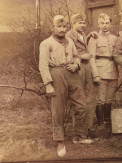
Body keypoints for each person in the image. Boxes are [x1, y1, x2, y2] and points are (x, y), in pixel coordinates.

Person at [39, 15, 93, 157]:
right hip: (56, 74)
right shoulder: (46, 43)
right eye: (59, 26)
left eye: (64, 26)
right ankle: (60, 141)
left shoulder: (69, 41)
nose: (62, 29)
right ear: (53, 27)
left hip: (72, 73)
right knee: (58, 109)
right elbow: (43, 66)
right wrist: (48, 84)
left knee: (82, 105)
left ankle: (79, 136)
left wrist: (76, 64)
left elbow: (76, 56)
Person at [66, 13, 97, 138]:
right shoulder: (68, 36)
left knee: (90, 98)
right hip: (77, 68)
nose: (83, 25)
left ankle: (88, 128)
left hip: (86, 67)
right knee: (79, 100)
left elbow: (82, 44)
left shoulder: (83, 34)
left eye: (84, 22)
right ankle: (78, 133)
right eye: (80, 23)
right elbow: (68, 55)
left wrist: (89, 36)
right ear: (73, 24)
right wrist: (81, 57)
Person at [88, 13, 119, 138]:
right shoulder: (94, 38)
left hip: (113, 72)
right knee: (100, 99)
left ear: (110, 24)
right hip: (100, 72)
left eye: (107, 23)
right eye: (102, 23)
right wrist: (95, 74)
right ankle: (101, 125)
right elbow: (91, 58)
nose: (105, 26)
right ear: (98, 24)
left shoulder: (114, 38)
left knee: (109, 99)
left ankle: (108, 122)